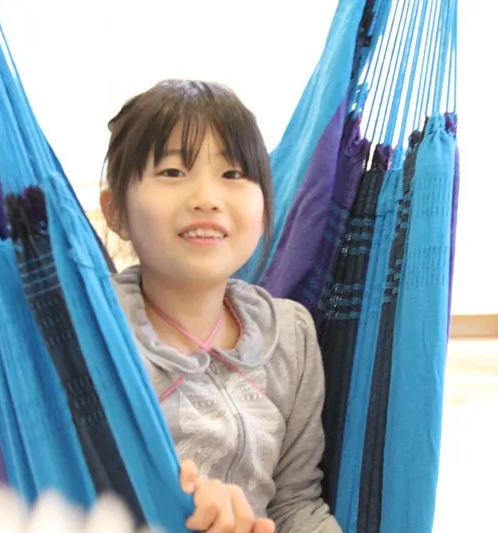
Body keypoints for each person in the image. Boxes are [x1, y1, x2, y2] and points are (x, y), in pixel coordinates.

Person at [98, 79, 342, 533]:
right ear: (116, 212)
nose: (207, 199)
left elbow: (295, 501)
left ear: (265, 208)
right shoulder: (94, 334)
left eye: (233, 174)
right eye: (173, 172)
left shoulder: (290, 334)